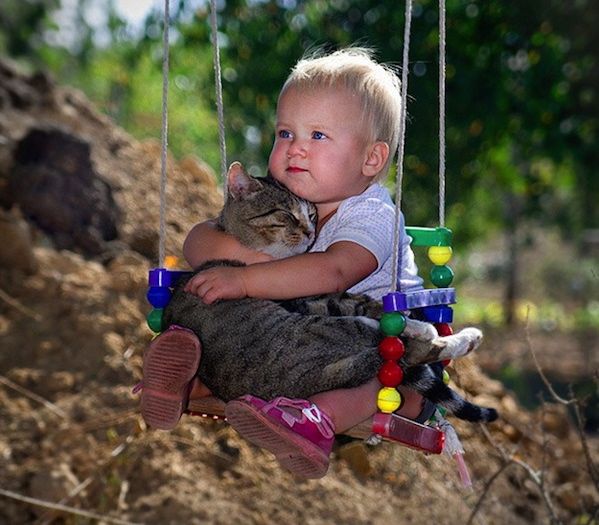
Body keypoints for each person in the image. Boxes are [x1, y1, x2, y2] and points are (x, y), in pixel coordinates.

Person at [141, 47, 435, 478]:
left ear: (371, 159)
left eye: (317, 136)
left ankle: (313, 423)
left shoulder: (373, 213)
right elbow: (200, 239)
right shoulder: (289, 199)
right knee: (223, 314)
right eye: (285, 133)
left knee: (375, 374)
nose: (295, 149)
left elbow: (334, 271)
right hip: (303, 342)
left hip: (389, 341)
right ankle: (188, 379)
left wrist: (246, 280)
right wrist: (247, 261)